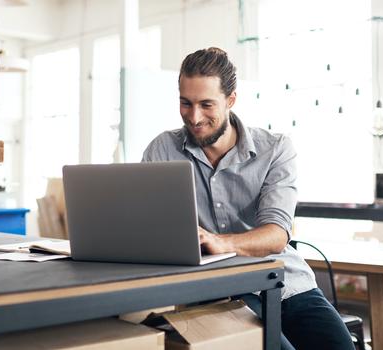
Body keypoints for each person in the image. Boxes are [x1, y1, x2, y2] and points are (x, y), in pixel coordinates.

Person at [141, 47, 355, 350]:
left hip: (286, 282)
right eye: (185, 103)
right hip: (219, 291)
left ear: (230, 101)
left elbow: (277, 234)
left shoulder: (276, 149)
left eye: (206, 104)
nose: (194, 116)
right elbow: (145, 226)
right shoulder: (163, 150)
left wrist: (224, 243)